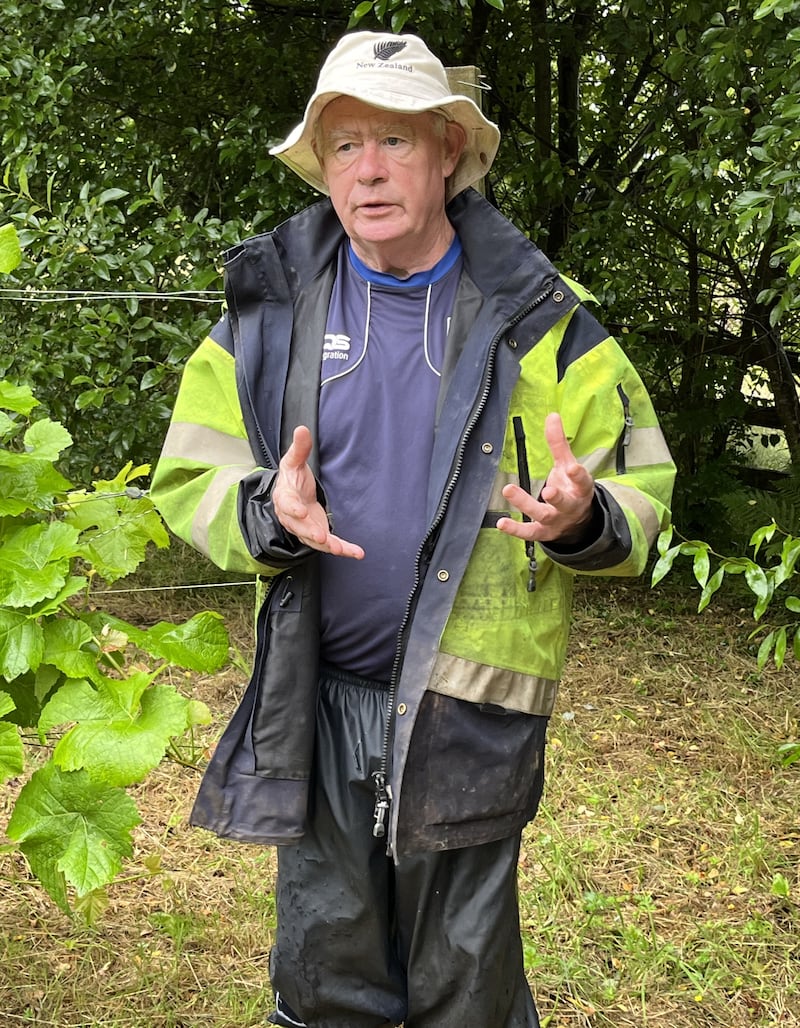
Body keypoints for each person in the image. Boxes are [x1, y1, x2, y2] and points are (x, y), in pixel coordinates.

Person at [151, 30, 675, 1028]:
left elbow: (641, 486)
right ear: (323, 167)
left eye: (392, 139)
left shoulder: (546, 321)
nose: (368, 168)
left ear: (446, 152)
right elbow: (190, 475)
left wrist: (583, 516)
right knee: (324, 971)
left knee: (464, 986)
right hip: (317, 695)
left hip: (469, 705)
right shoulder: (267, 315)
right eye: (343, 144)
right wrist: (267, 509)